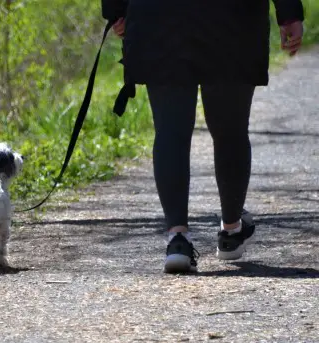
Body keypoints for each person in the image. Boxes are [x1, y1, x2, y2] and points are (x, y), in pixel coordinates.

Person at [101, 0, 304, 273]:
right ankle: (232, 230)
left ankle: (178, 238)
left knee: (171, 129)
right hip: (232, 19)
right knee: (230, 129)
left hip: (160, 17)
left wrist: (116, 8)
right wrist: (289, 12)